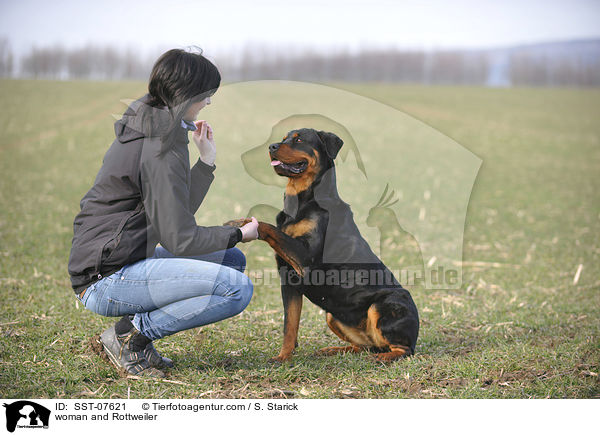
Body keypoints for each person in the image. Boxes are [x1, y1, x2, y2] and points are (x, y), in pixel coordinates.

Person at [68, 48, 259, 378]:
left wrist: (206, 162)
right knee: (236, 288)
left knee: (231, 261)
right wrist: (239, 234)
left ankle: (130, 332)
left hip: (124, 256)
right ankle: (130, 338)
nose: (209, 103)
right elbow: (180, 237)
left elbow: (175, 211)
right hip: (105, 277)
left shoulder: (157, 125)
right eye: (206, 95)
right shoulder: (159, 145)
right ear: (186, 94)